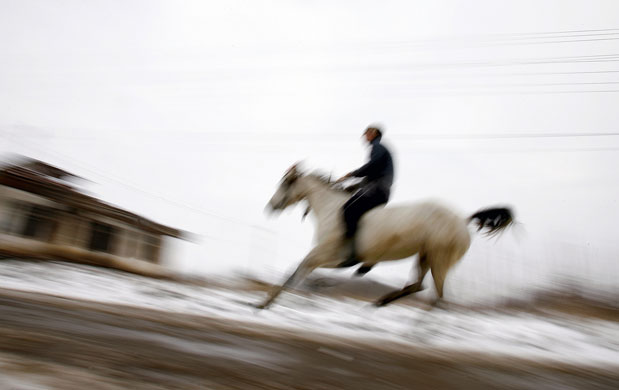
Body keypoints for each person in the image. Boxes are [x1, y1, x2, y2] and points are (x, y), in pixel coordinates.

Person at [336, 125, 394, 268]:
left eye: (366, 133)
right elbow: (371, 174)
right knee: (360, 217)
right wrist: (353, 186)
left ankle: (353, 253)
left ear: (374, 133)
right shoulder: (380, 149)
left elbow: (371, 167)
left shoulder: (377, 147)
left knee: (347, 209)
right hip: (381, 189)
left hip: (377, 189)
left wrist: (350, 175)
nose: (364, 137)